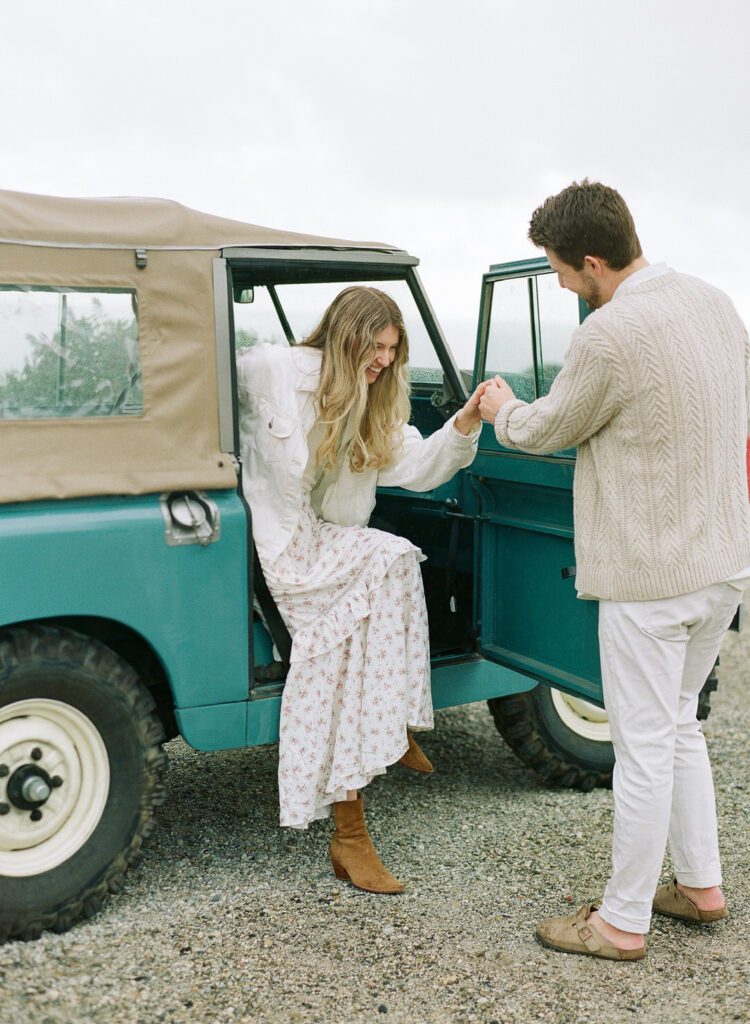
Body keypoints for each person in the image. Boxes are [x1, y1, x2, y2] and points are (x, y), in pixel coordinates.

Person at [479, 180, 750, 961]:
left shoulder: (607, 334)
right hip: (723, 561)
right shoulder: (714, 301)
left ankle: (621, 922)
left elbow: (546, 429)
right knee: (679, 726)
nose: (563, 284)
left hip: (651, 576)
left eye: (563, 271)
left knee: (641, 748)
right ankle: (701, 887)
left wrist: (502, 406)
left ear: (594, 261)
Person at [237, 285, 483, 893]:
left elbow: (423, 466)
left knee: (348, 650)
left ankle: (353, 830)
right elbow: (205, 376)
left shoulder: (374, 405)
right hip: (283, 550)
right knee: (394, 556)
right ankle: (392, 731)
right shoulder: (274, 370)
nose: (381, 360)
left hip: (330, 548)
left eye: (392, 352)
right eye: (375, 346)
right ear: (346, 335)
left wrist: (469, 419)